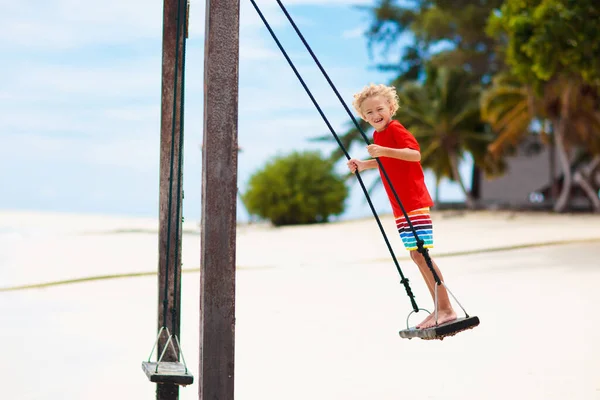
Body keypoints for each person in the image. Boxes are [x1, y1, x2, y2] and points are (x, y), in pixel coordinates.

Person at [347, 83, 457, 329]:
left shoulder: (395, 129)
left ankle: (447, 308)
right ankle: (439, 308)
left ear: (391, 107)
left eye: (379, 109)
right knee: (417, 256)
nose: (376, 115)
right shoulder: (378, 136)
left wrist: (383, 150)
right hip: (400, 206)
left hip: (413, 201)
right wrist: (365, 164)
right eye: (369, 113)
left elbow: (414, 154)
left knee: (423, 255)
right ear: (363, 117)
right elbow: (388, 161)